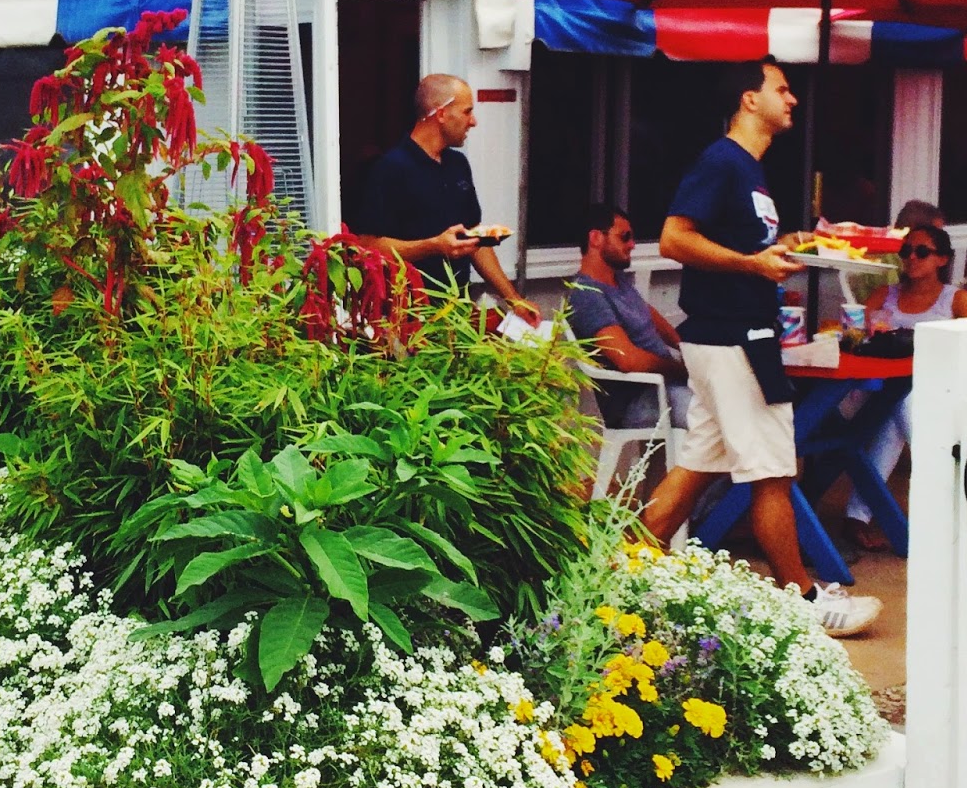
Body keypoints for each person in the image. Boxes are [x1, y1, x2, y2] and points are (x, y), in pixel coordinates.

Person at [641, 56, 882, 637]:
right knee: (773, 471)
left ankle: (618, 572)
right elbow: (674, 238)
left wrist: (793, 245)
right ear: (750, 100)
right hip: (733, 338)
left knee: (697, 467)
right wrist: (750, 262)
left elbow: (745, 250)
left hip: (730, 336)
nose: (793, 98)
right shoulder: (722, 161)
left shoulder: (749, 170)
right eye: (782, 88)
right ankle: (803, 600)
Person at [352, 74, 539, 323]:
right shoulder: (390, 168)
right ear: (441, 114)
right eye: (467, 112)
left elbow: (475, 238)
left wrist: (513, 298)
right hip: (409, 317)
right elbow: (367, 246)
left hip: (457, 311)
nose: (473, 122)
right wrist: (433, 245)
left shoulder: (458, 164)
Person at [843, 223, 967, 548]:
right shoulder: (886, 295)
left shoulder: (955, 299)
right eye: (906, 251)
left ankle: (858, 515)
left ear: (942, 260)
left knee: (900, 407)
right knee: (896, 408)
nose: (912, 258)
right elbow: (855, 336)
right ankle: (942, 500)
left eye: (922, 251)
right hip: (879, 386)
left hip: (938, 391)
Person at [566, 203, 691, 431]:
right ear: (596, 238)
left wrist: (683, 346)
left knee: (732, 399)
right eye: (625, 237)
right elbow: (628, 359)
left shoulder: (618, 282)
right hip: (637, 399)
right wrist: (680, 368)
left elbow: (647, 313)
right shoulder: (586, 295)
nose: (632, 245)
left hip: (666, 386)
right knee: (718, 421)